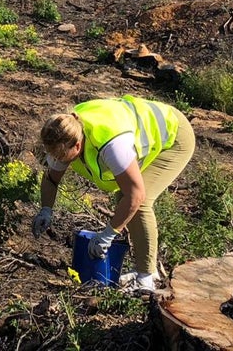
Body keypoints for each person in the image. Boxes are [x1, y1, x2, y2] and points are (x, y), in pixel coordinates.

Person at [32, 95, 196, 293]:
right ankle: (145, 269)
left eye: (60, 157)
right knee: (125, 200)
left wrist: (106, 236)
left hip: (174, 135)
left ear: (77, 146)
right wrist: (46, 210)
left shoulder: (112, 147)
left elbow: (136, 196)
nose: (57, 161)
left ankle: (146, 279)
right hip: (139, 130)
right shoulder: (65, 134)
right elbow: (51, 179)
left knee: (139, 203)